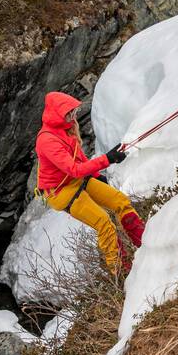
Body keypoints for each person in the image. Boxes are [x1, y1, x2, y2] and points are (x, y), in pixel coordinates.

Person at [35, 91, 145, 276]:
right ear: (57, 114)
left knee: (120, 201)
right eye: (69, 113)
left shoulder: (67, 127)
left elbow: (80, 158)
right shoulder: (47, 140)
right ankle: (122, 272)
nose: (73, 116)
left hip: (77, 181)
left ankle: (145, 244)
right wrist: (107, 159)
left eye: (74, 111)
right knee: (104, 223)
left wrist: (95, 174)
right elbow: (74, 169)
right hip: (61, 192)